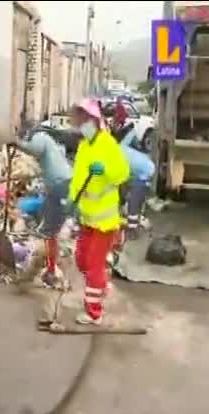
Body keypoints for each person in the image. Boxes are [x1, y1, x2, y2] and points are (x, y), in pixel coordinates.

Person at [68, 98, 130, 326]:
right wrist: (71, 200)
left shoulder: (107, 144)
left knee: (93, 265)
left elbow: (122, 173)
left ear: (95, 120)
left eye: (86, 119)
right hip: (87, 217)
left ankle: (94, 312)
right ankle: (101, 284)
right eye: (79, 119)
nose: (82, 124)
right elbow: (78, 178)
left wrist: (106, 170)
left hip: (104, 220)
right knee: (81, 260)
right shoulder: (85, 146)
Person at [16, 128, 73, 288]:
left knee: (47, 232)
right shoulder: (53, 145)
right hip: (60, 187)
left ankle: (38, 271)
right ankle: (50, 269)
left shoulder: (40, 137)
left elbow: (33, 149)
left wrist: (17, 143)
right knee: (51, 233)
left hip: (60, 187)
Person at [118, 127, 155, 240]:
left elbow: (121, 176)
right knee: (134, 201)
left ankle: (132, 229)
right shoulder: (121, 147)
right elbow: (130, 135)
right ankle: (134, 222)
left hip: (141, 176)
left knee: (133, 201)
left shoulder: (118, 154)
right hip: (142, 171)